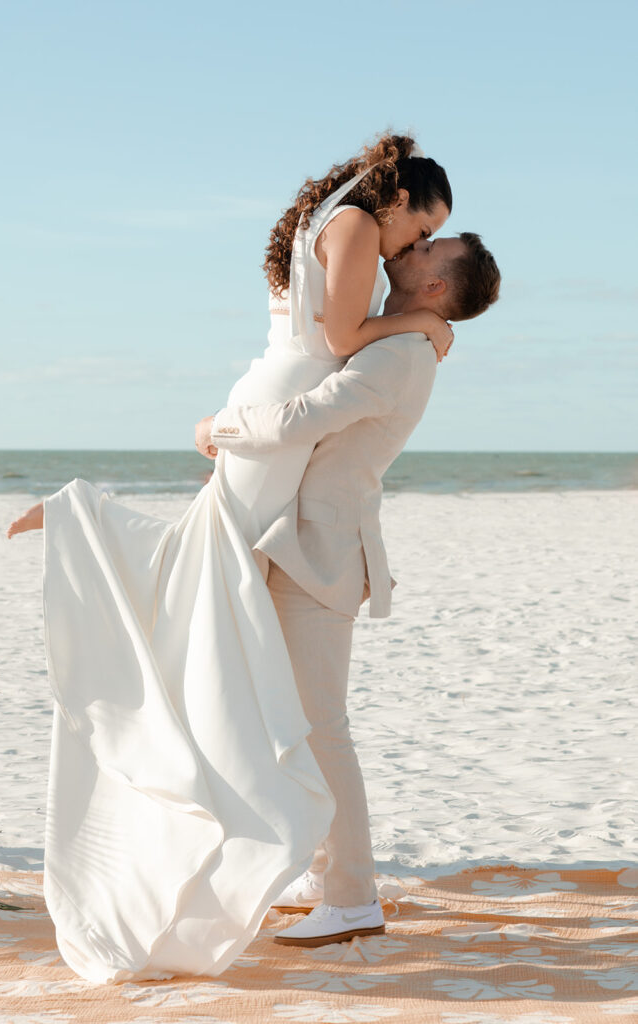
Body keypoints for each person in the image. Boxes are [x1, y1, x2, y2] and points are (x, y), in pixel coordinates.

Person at [6, 134, 455, 984]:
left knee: (206, 572)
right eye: (420, 230)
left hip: (282, 431)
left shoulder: (352, 246)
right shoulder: (363, 236)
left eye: (424, 249)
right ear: (398, 201)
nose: (411, 248)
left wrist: (419, 324)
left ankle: (79, 522)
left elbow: (330, 355)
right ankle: (80, 521)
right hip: (282, 426)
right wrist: (422, 319)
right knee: (197, 566)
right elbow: (339, 333)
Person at [195, 232, 501, 947]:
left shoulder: (401, 354)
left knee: (320, 727)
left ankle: (354, 898)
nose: (415, 244)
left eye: (431, 249)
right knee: (294, 724)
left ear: (434, 288)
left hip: (322, 555)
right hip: (299, 545)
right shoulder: (395, 337)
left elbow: (306, 419)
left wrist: (218, 430)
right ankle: (326, 870)